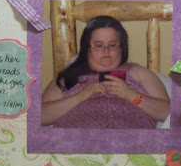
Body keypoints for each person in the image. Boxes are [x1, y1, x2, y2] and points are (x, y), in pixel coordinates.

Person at [42, 16, 170, 129]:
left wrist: (131, 95)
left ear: (121, 47)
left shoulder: (138, 73)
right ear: (87, 48)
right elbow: (40, 116)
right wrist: (80, 97)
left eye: (112, 45)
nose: (106, 51)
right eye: (98, 45)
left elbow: (167, 113)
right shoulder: (69, 76)